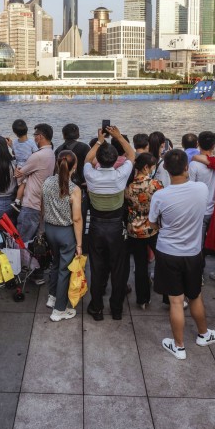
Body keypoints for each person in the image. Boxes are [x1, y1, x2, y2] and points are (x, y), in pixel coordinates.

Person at [149, 149, 215, 359]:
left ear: (165, 169)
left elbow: (153, 223)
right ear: (187, 167)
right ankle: (203, 334)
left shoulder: (161, 195)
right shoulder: (200, 189)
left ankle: (179, 346)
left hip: (167, 251)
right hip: (193, 252)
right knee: (195, 295)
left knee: (175, 301)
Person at [83, 125, 135, 320]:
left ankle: (96, 308)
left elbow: (87, 159)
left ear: (100, 161)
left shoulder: (91, 174)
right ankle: (116, 309)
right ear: (115, 161)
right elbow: (131, 154)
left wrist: (99, 140)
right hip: (116, 227)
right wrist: (118, 136)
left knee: (97, 269)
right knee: (119, 270)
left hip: (96, 226)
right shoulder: (120, 175)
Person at [42, 150, 84, 321]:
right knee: (65, 270)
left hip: (50, 229)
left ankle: (52, 296)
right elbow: (77, 218)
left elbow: (42, 207)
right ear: (74, 166)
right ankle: (60, 309)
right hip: (65, 232)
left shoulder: (47, 182)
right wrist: (79, 244)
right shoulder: (74, 189)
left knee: (55, 263)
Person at [126, 153, 162, 310]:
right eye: (152, 167)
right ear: (146, 167)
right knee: (162, 262)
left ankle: (142, 299)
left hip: (134, 229)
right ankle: (168, 296)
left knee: (140, 265)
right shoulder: (155, 184)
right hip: (152, 228)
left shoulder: (129, 186)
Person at [14, 123, 54, 247]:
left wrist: (18, 171)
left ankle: (21, 265)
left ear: (40, 136)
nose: (34, 138)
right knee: (35, 240)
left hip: (31, 204)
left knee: (21, 241)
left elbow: (18, 175)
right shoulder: (51, 153)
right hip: (42, 203)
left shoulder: (37, 156)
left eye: (35, 135)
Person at [188, 131, 215, 236]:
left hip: (199, 211)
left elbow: (190, 188)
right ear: (213, 146)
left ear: (198, 144)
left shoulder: (194, 165)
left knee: (198, 242)